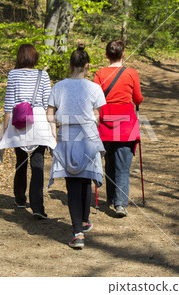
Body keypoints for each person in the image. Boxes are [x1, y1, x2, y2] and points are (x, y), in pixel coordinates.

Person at [47, 45, 106, 248]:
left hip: (67, 135)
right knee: (86, 179)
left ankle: (78, 232)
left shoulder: (59, 86)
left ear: (70, 65)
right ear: (87, 66)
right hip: (88, 134)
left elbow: (49, 114)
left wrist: (53, 131)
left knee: (72, 183)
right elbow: (98, 116)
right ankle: (84, 221)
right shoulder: (94, 87)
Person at [0, 44, 56, 219]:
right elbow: (49, 104)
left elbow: (9, 105)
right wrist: (53, 129)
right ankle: (38, 207)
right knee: (37, 164)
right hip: (38, 121)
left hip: (19, 120)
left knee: (21, 161)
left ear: (19, 57)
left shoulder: (13, 74)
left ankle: (20, 199)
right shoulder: (43, 75)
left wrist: (4, 129)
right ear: (35, 57)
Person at [94, 40, 143, 217]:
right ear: (123, 54)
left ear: (107, 55)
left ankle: (111, 198)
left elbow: (95, 99)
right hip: (126, 124)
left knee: (109, 163)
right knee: (123, 165)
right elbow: (138, 99)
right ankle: (120, 204)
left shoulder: (99, 74)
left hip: (106, 122)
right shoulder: (131, 73)